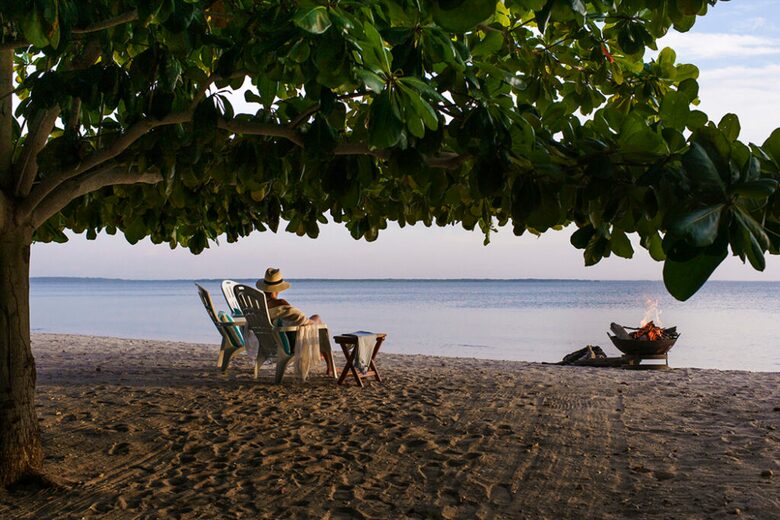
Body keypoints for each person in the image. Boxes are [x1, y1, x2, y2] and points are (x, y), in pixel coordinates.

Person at [256, 267, 332, 375]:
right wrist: (316, 323)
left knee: (314, 322)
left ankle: (322, 354)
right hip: (287, 343)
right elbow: (301, 318)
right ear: (278, 289)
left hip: (269, 342)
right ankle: (330, 366)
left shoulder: (259, 306)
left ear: (264, 288)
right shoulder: (281, 304)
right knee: (318, 320)